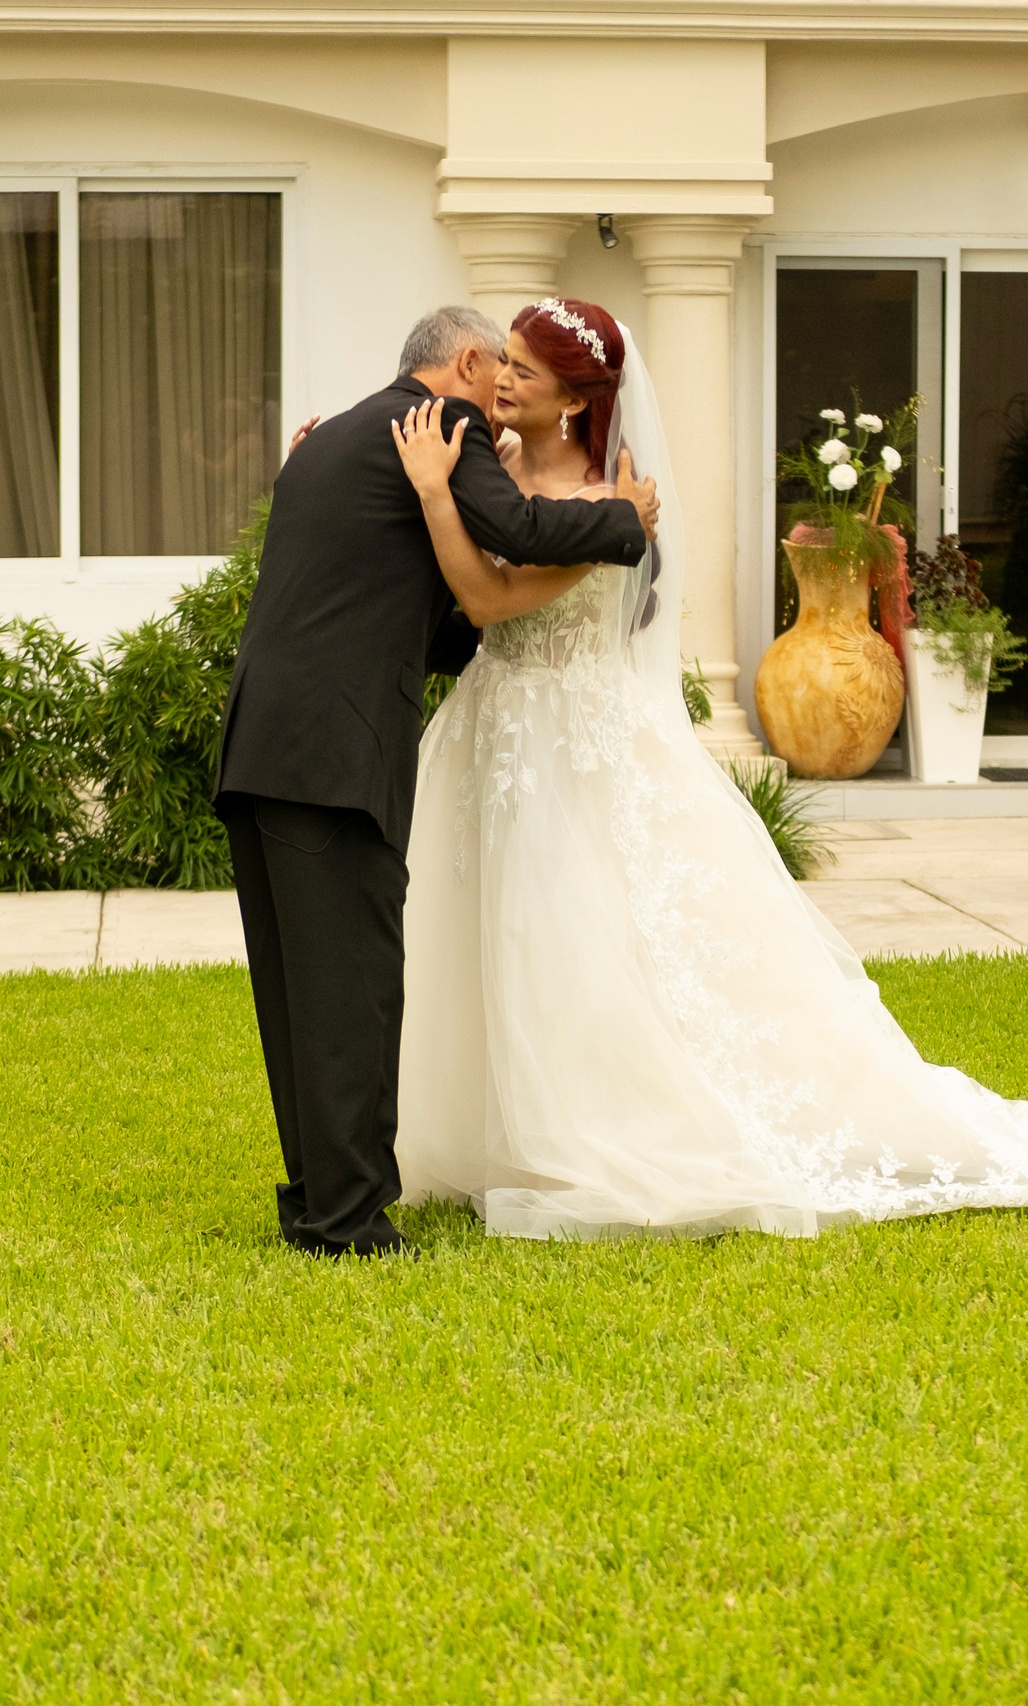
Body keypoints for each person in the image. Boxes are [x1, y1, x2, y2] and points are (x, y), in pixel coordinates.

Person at [392, 298, 1028, 1240]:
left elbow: (489, 600)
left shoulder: (616, 504)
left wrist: (438, 495)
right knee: (484, 922)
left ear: (573, 398)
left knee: (568, 925)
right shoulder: (500, 465)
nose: (502, 377)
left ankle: (585, 1134)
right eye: (504, 362)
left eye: (523, 368)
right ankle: (484, 1135)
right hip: (496, 725)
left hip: (572, 736)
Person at [217, 305, 661, 1258]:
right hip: (334, 756)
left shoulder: (330, 438)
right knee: (352, 988)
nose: (500, 394)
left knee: (300, 995)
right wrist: (627, 521)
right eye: (496, 366)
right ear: (464, 363)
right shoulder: (440, 427)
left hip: (264, 746)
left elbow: (450, 620)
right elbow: (525, 529)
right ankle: (349, 1221)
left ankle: (315, 1200)